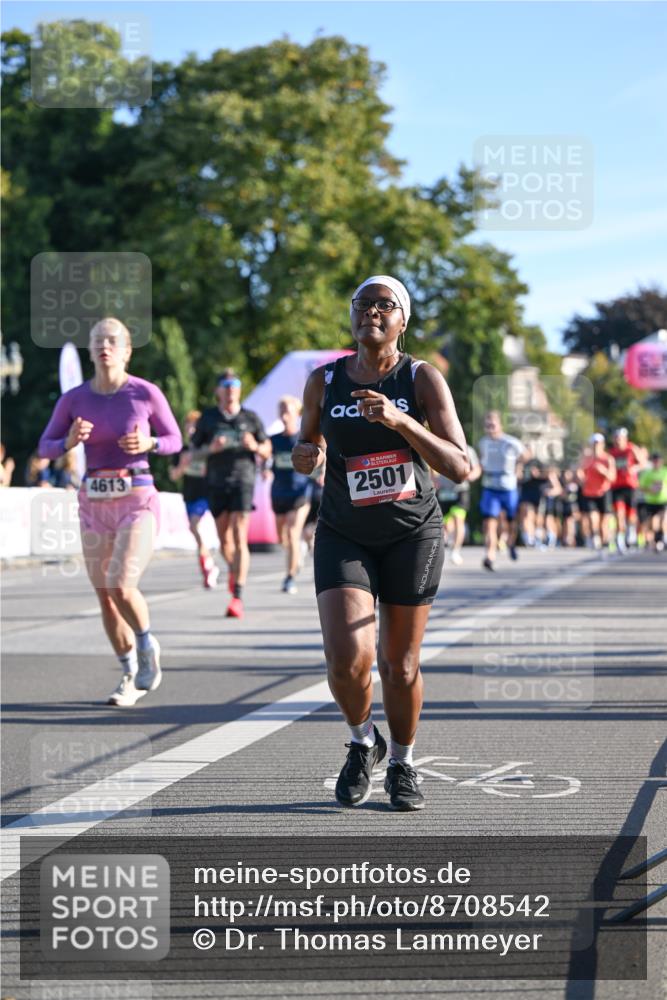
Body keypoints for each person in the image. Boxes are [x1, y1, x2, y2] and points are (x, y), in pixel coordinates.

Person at [293, 275, 469, 811]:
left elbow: (460, 466)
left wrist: (401, 422)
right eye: (362, 303)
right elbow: (308, 442)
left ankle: (403, 762)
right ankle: (362, 741)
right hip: (345, 531)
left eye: (384, 304)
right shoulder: (323, 380)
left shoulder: (421, 378)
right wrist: (306, 455)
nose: (371, 311)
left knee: (400, 665)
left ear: (403, 320)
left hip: (411, 533)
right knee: (347, 659)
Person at [38, 317, 182, 706]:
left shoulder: (145, 393)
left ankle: (147, 643)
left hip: (137, 497)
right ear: (90, 350)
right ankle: (129, 673)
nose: (105, 346)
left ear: (127, 350)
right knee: (105, 594)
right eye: (98, 340)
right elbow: (44, 446)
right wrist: (67, 440)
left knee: (120, 583)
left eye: (113, 340)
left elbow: (174, 440)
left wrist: (149, 441)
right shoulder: (74, 399)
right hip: (93, 501)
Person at [191, 370, 271, 618]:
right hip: (216, 482)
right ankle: (234, 573)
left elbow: (266, 448)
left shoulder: (250, 418)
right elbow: (193, 453)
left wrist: (256, 447)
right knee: (225, 541)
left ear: (239, 388)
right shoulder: (208, 418)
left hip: (243, 480)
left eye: (234, 384)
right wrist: (210, 449)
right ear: (218, 390)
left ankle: (237, 594)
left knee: (239, 536)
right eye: (225, 385)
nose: (230, 389)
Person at [169, 410, 219, 589]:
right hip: (190, 494)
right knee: (195, 531)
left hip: (207, 493)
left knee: (194, 525)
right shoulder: (181, 451)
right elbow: (174, 476)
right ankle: (208, 566)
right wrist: (183, 465)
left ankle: (212, 564)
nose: (191, 430)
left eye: (194, 427)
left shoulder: (206, 449)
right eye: (188, 426)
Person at [268, 396, 313, 594]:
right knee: (282, 536)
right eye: (282, 409)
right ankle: (296, 554)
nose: (285, 412)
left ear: (297, 413)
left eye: (289, 408)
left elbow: (322, 454)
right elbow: (264, 456)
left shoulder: (303, 438)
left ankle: (290, 577)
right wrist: (262, 465)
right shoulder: (274, 440)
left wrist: (322, 473)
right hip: (279, 492)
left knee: (294, 532)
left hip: (300, 492)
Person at [477, 411, 530, 571]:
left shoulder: (511, 442)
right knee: (489, 523)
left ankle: (511, 543)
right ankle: (490, 555)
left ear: (500, 425)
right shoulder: (483, 443)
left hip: (508, 487)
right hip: (490, 487)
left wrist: (519, 466)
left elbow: (526, 455)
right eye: (488, 425)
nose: (490, 428)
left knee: (511, 522)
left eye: (493, 425)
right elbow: (482, 462)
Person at [433, 445, 481, 564]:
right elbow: (431, 466)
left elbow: (476, 468)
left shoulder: (468, 450)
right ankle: (447, 543)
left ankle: (456, 551)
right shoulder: (439, 445)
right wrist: (433, 480)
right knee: (445, 524)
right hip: (444, 490)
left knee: (458, 519)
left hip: (460, 489)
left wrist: (471, 476)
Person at [576, 433, 616, 550]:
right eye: (594, 444)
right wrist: (580, 478)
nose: (596, 446)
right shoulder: (586, 459)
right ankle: (595, 537)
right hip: (589, 493)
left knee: (604, 521)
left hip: (603, 492)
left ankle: (605, 541)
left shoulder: (608, 458)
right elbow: (579, 472)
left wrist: (603, 471)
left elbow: (612, 477)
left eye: (598, 443)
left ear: (602, 444)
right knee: (593, 518)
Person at [609, 427, 644, 551]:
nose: (618, 440)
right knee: (619, 514)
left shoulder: (631, 449)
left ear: (625, 438)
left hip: (630, 485)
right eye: (616, 438)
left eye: (621, 438)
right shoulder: (612, 452)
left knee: (631, 514)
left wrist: (634, 468)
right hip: (616, 486)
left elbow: (642, 463)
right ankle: (620, 539)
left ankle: (631, 531)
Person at [638, 452, 667, 552]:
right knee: (654, 523)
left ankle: (663, 539)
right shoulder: (647, 473)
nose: (657, 463)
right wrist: (651, 489)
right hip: (651, 501)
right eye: (655, 461)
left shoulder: (665, 472)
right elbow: (641, 487)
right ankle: (657, 540)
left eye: (658, 461)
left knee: (663, 520)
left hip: (663, 501)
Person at [559, 468, 580, 547]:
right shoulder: (563, 485)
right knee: (565, 522)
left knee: (570, 521)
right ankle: (565, 538)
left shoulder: (574, 485)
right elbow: (562, 496)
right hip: (564, 506)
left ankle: (570, 538)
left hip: (573, 506)